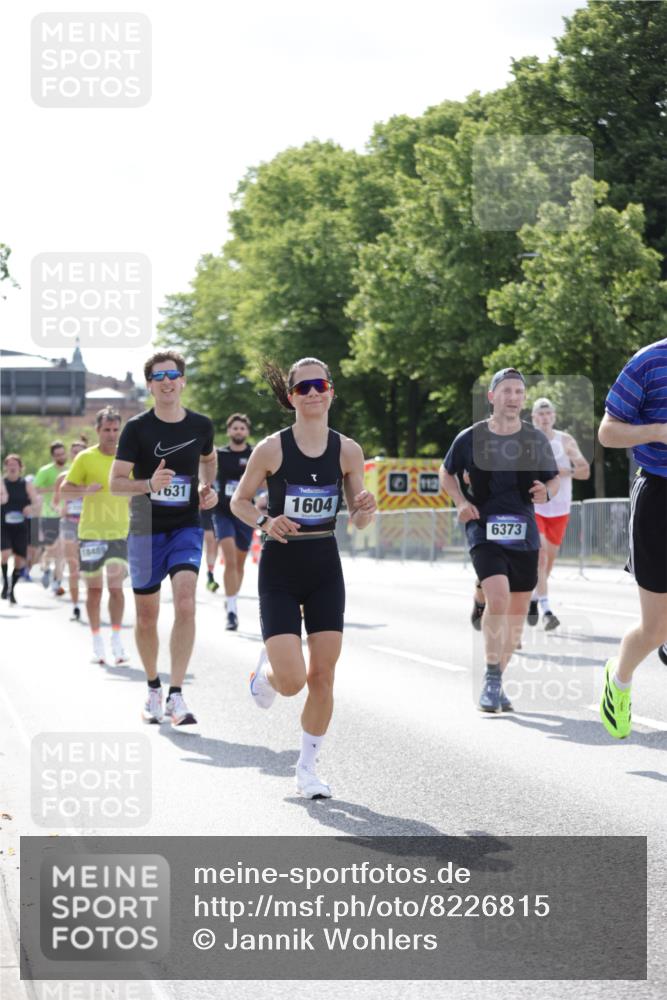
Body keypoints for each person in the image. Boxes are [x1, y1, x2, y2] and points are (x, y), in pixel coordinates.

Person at [231, 357, 377, 798]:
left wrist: (366, 510)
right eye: (303, 387)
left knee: (323, 677)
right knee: (292, 682)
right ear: (290, 396)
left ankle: (307, 770)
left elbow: (359, 519)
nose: (313, 393)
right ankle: (266, 675)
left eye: (320, 385)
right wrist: (264, 523)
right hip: (280, 565)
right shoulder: (271, 449)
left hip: (324, 567)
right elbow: (239, 502)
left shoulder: (348, 451)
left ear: (331, 391)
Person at [440, 368, 560, 713]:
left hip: (523, 530)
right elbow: (446, 472)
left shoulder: (535, 439)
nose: (513, 397)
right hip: (483, 525)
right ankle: (491, 678)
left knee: (518, 615)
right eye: (506, 390)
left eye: (519, 392)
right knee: (500, 599)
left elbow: (552, 481)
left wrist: (545, 493)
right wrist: (461, 503)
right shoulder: (471, 437)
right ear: (492, 397)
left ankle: (498, 679)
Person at [110, 350, 218, 727]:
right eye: (159, 377)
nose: (168, 381)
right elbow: (115, 483)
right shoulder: (137, 429)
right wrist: (148, 484)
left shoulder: (202, 425)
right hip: (145, 526)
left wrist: (208, 486)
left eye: (173, 374)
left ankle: (176, 694)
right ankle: (153, 686)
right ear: (151, 385)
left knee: (186, 603)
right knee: (146, 616)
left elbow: (209, 458)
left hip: (186, 524)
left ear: (183, 381)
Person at [597, 338, 667, 739]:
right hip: (660, 496)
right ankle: (618, 681)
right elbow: (607, 432)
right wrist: (658, 430)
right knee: (656, 628)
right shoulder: (649, 361)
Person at [63, 410, 130, 664]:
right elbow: (65, 491)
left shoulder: (128, 457)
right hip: (90, 533)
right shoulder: (85, 457)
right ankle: (96, 641)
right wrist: (84, 490)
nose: (111, 435)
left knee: (116, 589)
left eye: (115, 430)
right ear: (97, 430)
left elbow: (141, 488)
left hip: (119, 533)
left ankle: (116, 639)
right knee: (94, 591)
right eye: (106, 430)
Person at [213, 413, 255, 630]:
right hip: (223, 512)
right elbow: (208, 475)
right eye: (235, 428)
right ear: (229, 431)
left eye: (242, 428)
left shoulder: (255, 454)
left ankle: (231, 597)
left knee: (239, 563)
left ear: (247, 432)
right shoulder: (220, 454)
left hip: (246, 513)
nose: (238, 432)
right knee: (229, 560)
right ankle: (232, 610)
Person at [54, 440, 87, 621]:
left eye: (80, 452)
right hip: (69, 524)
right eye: (74, 452)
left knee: (88, 568)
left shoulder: (93, 477)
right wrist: (61, 509)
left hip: (91, 524)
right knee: (73, 566)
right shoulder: (63, 478)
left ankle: (91, 600)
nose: (76, 455)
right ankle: (75, 606)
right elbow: (55, 503)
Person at [1, 455, 39, 604]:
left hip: (22, 527)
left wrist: (31, 507)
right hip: (3, 525)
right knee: (5, 554)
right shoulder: (1, 483)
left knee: (19, 561)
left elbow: (36, 503)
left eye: (15, 464)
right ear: (5, 467)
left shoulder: (26, 484)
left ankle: (12, 589)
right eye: (9, 464)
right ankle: (5, 583)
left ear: (20, 467)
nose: (12, 467)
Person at [33, 441, 68, 593]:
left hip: (65, 515)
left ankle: (57, 581)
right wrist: (54, 488)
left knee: (62, 550)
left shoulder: (70, 470)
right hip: (49, 515)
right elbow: (36, 490)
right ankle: (45, 567)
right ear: (53, 456)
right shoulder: (45, 471)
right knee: (51, 549)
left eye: (63, 453)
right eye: (58, 454)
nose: (61, 456)